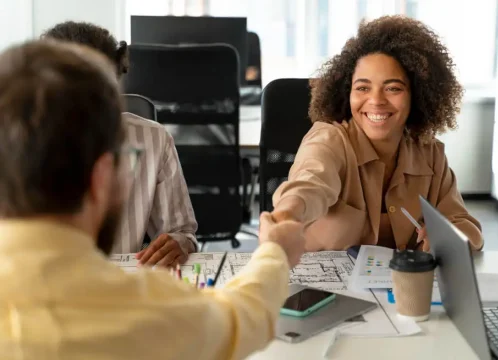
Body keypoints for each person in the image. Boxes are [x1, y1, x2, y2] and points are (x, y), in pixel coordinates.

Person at [0, 39, 305, 359]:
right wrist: (276, 254)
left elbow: (183, 231)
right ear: (101, 177)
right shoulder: (149, 310)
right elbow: (243, 318)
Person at [271, 16, 483, 252]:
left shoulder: (429, 152)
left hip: (402, 287)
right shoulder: (329, 140)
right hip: (320, 287)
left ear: (417, 94)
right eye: (362, 88)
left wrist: (449, 238)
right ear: (347, 92)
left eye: (393, 88)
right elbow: (308, 186)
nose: (376, 101)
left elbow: (466, 227)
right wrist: (286, 215)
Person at [42, 21, 198, 268]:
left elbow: (181, 232)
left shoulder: (154, 140)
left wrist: (180, 242)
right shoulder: (14, 143)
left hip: (121, 285)